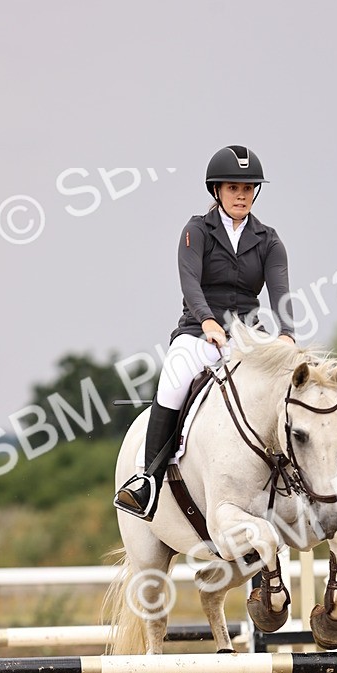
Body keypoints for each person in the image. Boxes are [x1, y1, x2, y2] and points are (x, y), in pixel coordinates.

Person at [114, 144, 298, 520]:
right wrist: (208, 321)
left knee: (293, 384)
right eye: (233, 187)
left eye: (248, 188)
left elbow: (280, 290)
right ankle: (146, 480)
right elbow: (189, 282)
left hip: (248, 337)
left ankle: (331, 472)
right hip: (197, 333)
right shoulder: (197, 230)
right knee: (174, 378)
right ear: (217, 190)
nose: (241, 195)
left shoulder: (268, 239)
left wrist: (287, 334)